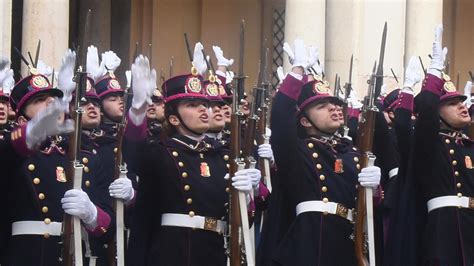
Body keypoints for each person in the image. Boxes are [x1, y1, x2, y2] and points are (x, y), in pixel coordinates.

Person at [268, 39, 381, 265]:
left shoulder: (353, 153)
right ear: (304, 120)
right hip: (310, 243)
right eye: (322, 106)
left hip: (347, 243)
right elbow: (280, 117)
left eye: (336, 104)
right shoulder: (298, 152)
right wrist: (297, 73)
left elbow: (368, 207)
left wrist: (376, 189)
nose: (335, 108)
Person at [413, 24, 474, 265]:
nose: (462, 106)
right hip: (443, 230)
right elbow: (426, 109)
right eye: (452, 103)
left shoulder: (469, 146)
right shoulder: (429, 143)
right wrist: (435, 72)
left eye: (463, 101)